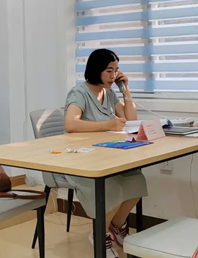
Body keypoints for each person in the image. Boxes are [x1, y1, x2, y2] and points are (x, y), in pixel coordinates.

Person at [61, 48, 147, 258]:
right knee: (112, 186)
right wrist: (107, 124)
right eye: (109, 71)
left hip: (106, 155)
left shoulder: (108, 93)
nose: (113, 75)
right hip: (83, 160)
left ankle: (115, 226)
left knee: (136, 179)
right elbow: (70, 124)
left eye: (116, 70)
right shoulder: (79, 93)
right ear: (96, 69)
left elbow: (131, 119)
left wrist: (125, 89)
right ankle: (99, 234)